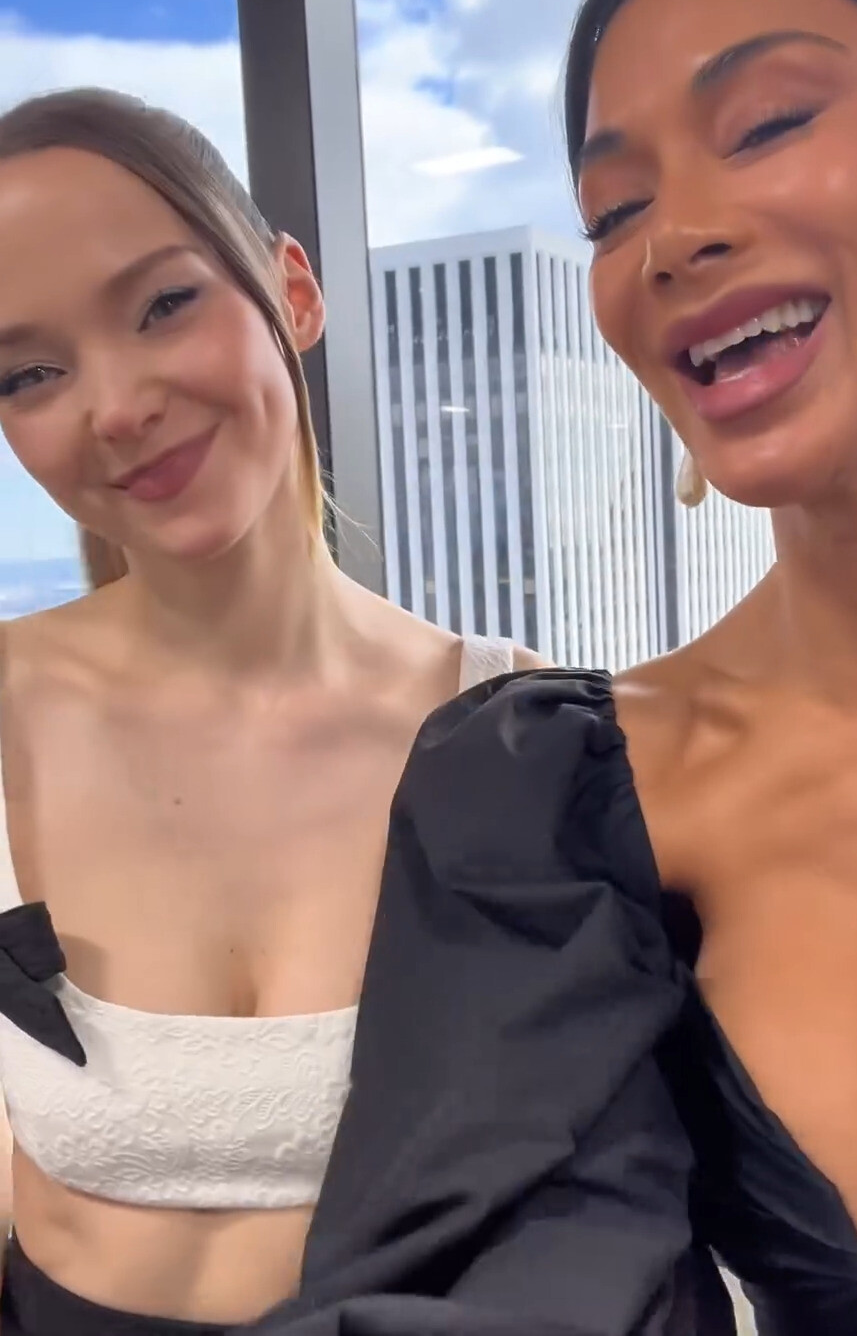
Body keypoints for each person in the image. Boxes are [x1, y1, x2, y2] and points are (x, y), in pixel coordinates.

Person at [252, 0, 857, 1334]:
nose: (676, 237)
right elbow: (490, 1277)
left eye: (769, 124)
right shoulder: (546, 795)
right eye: (614, 212)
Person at [0, 87, 538, 1335]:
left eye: (164, 305)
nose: (116, 405)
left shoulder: (514, 725)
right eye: (30, 372)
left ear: (293, 290)